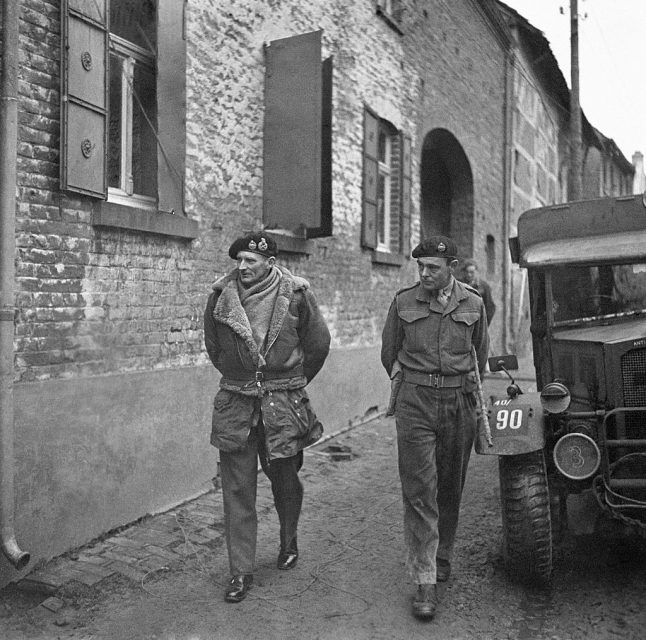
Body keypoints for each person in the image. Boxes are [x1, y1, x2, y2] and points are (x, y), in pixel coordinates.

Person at [204, 232, 330, 603]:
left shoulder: (297, 294)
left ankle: (288, 539)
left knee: (285, 480)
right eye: (238, 261)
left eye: (250, 262)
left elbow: (318, 344)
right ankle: (240, 571)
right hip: (237, 404)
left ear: (270, 264)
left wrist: (291, 381)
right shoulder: (219, 297)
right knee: (237, 490)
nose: (242, 268)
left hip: (282, 405)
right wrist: (243, 377)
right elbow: (214, 347)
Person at [381, 235, 489, 620]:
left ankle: (443, 554)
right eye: (420, 267)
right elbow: (388, 352)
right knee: (418, 489)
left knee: (450, 485)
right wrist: (414, 384)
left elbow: (482, 354)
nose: (425, 273)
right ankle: (424, 576)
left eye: (433, 268)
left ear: (452, 269)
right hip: (416, 404)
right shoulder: (403, 302)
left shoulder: (474, 304)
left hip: (459, 404)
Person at [460, 258, 496, 325]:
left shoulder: (484, 287)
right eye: (467, 272)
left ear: (476, 272)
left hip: (478, 323)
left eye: (471, 272)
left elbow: (490, 307)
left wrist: (484, 324)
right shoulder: (459, 285)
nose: (469, 275)